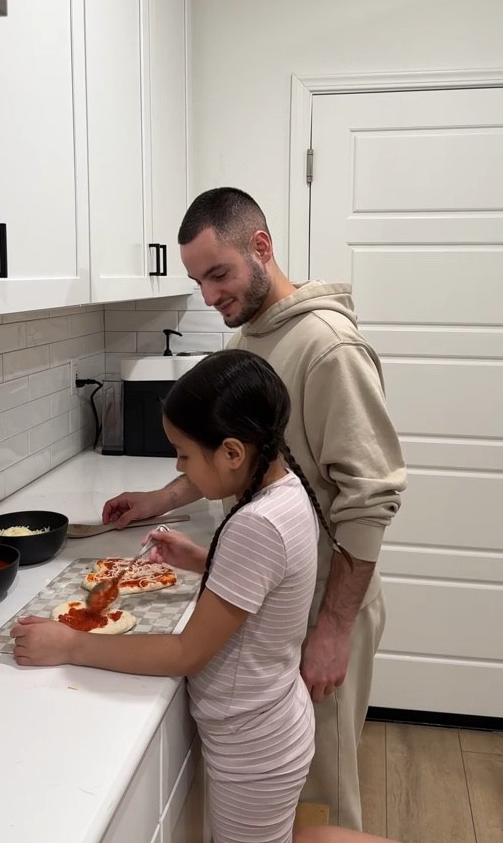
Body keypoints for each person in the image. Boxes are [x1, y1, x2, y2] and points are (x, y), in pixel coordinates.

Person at [103, 187, 407, 830]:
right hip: (274, 602)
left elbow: (370, 498)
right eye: (197, 279)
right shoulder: (253, 334)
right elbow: (231, 460)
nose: (209, 295)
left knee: (320, 790)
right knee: (284, 801)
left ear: (260, 248)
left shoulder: (329, 349)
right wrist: (156, 501)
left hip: (323, 605)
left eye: (219, 273)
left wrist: (331, 630)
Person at [12, 350, 349, 843]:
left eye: (185, 454)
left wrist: (69, 645)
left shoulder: (256, 524)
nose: (177, 464)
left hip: (252, 748)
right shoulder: (286, 491)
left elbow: (185, 652)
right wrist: (201, 560)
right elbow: (267, 583)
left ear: (233, 453)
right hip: (270, 726)